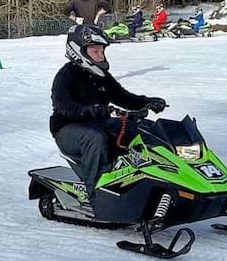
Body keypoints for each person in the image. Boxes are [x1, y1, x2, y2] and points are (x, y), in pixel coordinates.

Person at [50, 25, 167, 204]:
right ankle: (97, 195)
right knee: (94, 138)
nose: (100, 56)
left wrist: (147, 101)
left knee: (140, 128)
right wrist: (86, 110)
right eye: (95, 51)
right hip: (68, 129)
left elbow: (124, 97)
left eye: (102, 51)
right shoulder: (66, 76)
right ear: (78, 51)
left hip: (98, 122)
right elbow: (63, 106)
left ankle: (148, 181)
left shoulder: (102, 76)